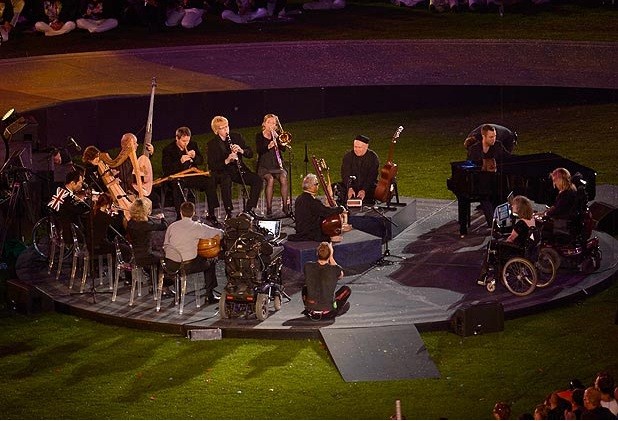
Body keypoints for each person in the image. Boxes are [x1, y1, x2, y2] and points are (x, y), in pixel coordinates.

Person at [163, 201, 223, 304]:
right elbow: (219, 233)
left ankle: (178, 297)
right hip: (186, 266)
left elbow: (165, 245)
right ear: (194, 213)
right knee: (210, 263)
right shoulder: (197, 227)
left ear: (180, 212)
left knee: (181, 260)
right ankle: (209, 295)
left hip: (170, 265)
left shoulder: (172, 226)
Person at [207, 115, 263, 219]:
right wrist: (227, 160)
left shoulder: (236, 136)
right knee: (226, 180)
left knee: (257, 180)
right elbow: (212, 165)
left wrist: (241, 150)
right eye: (222, 128)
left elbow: (250, 153)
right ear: (216, 131)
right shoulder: (212, 144)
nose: (226, 130)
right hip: (223, 172)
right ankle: (229, 212)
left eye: (227, 126)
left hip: (238, 170)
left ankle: (248, 210)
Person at [461, 123, 512, 233]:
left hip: (495, 181)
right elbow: (470, 167)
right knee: (485, 196)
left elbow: (508, 158)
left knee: (502, 195)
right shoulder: (474, 149)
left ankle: (505, 224)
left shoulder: (498, 145)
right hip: (480, 183)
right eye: (491, 137)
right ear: (483, 137)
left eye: (494, 136)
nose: (494, 139)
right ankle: (493, 224)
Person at [476, 195, 535, 286]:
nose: (511, 206)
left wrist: (503, 242)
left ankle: (484, 275)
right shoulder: (531, 219)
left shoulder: (520, 224)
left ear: (519, 208)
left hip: (517, 250)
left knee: (492, 245)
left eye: (514, 205)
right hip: (525, 247)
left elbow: (511, 239)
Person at [161, 126, 216, 221]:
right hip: (177, 177)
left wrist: (195, 157)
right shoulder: (168, 149)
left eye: (188, 141)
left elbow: (200, 161)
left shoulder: (193, 145)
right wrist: (180, 161)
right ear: (177, 138)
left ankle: (211, 213)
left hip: (191, 175)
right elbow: (166, 169)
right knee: (177, 186)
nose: (186, 143)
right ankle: (180, 216)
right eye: (183, 141)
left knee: (209, 181)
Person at [288, 173, 345, 243]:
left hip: (301, 229)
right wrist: (340, 209)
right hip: (310, 233)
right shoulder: (312, 201)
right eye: (316, 184)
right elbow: (326, 212)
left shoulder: (299, 198)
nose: (318, 186)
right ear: (311, 186)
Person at [302, 241, 351, 320]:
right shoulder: (335, 269)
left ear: (317, 253)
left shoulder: (307, 266)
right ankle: (336, 309)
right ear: (330, 254)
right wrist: (331, 257)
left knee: (305, 288)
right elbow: (340, 275)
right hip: (328, 311)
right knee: (346, 290)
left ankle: (310, 308)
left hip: (311, 308)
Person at [126, 197, 167, 288]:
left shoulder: (130, 223)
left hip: (133, 255)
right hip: (144, 256)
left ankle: (152, 280)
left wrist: (146, 217)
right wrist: (162, 218)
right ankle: (159, 286)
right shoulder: (146, 225)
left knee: (154, 256)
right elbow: (164, 226)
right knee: (163, 260)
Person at [255, 114, 289, 217]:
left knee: (283, 178)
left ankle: (285, 206)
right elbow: (259, 151)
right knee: (270, 179)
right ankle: (269, 208)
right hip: (264, 166)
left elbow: (283, 149)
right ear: (264, 124)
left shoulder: (277, 135)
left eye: (273, 123)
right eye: (269, 122)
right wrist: (268, 146)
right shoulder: (259, 136)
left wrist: (278, 139)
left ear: (276, 125)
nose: (271, 125)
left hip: (277, 165)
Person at [47, 169, 90, 241]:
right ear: (73, 183)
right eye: (80, 183)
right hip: (65, 230)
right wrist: (86, 203)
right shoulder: (67, 196)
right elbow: (78, 210)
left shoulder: (59, 189)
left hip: (56, 223)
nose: (81, 185)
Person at [339, 134, 379, 206]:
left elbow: (372, 176)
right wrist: (350, 188)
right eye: (355, 147)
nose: (356, 150)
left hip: (367, 186)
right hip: (351, 186)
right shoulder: (348, 156)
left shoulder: (373, 157)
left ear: (366, 147)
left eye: (359, 147)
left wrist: (364, 190)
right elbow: (345, 173)